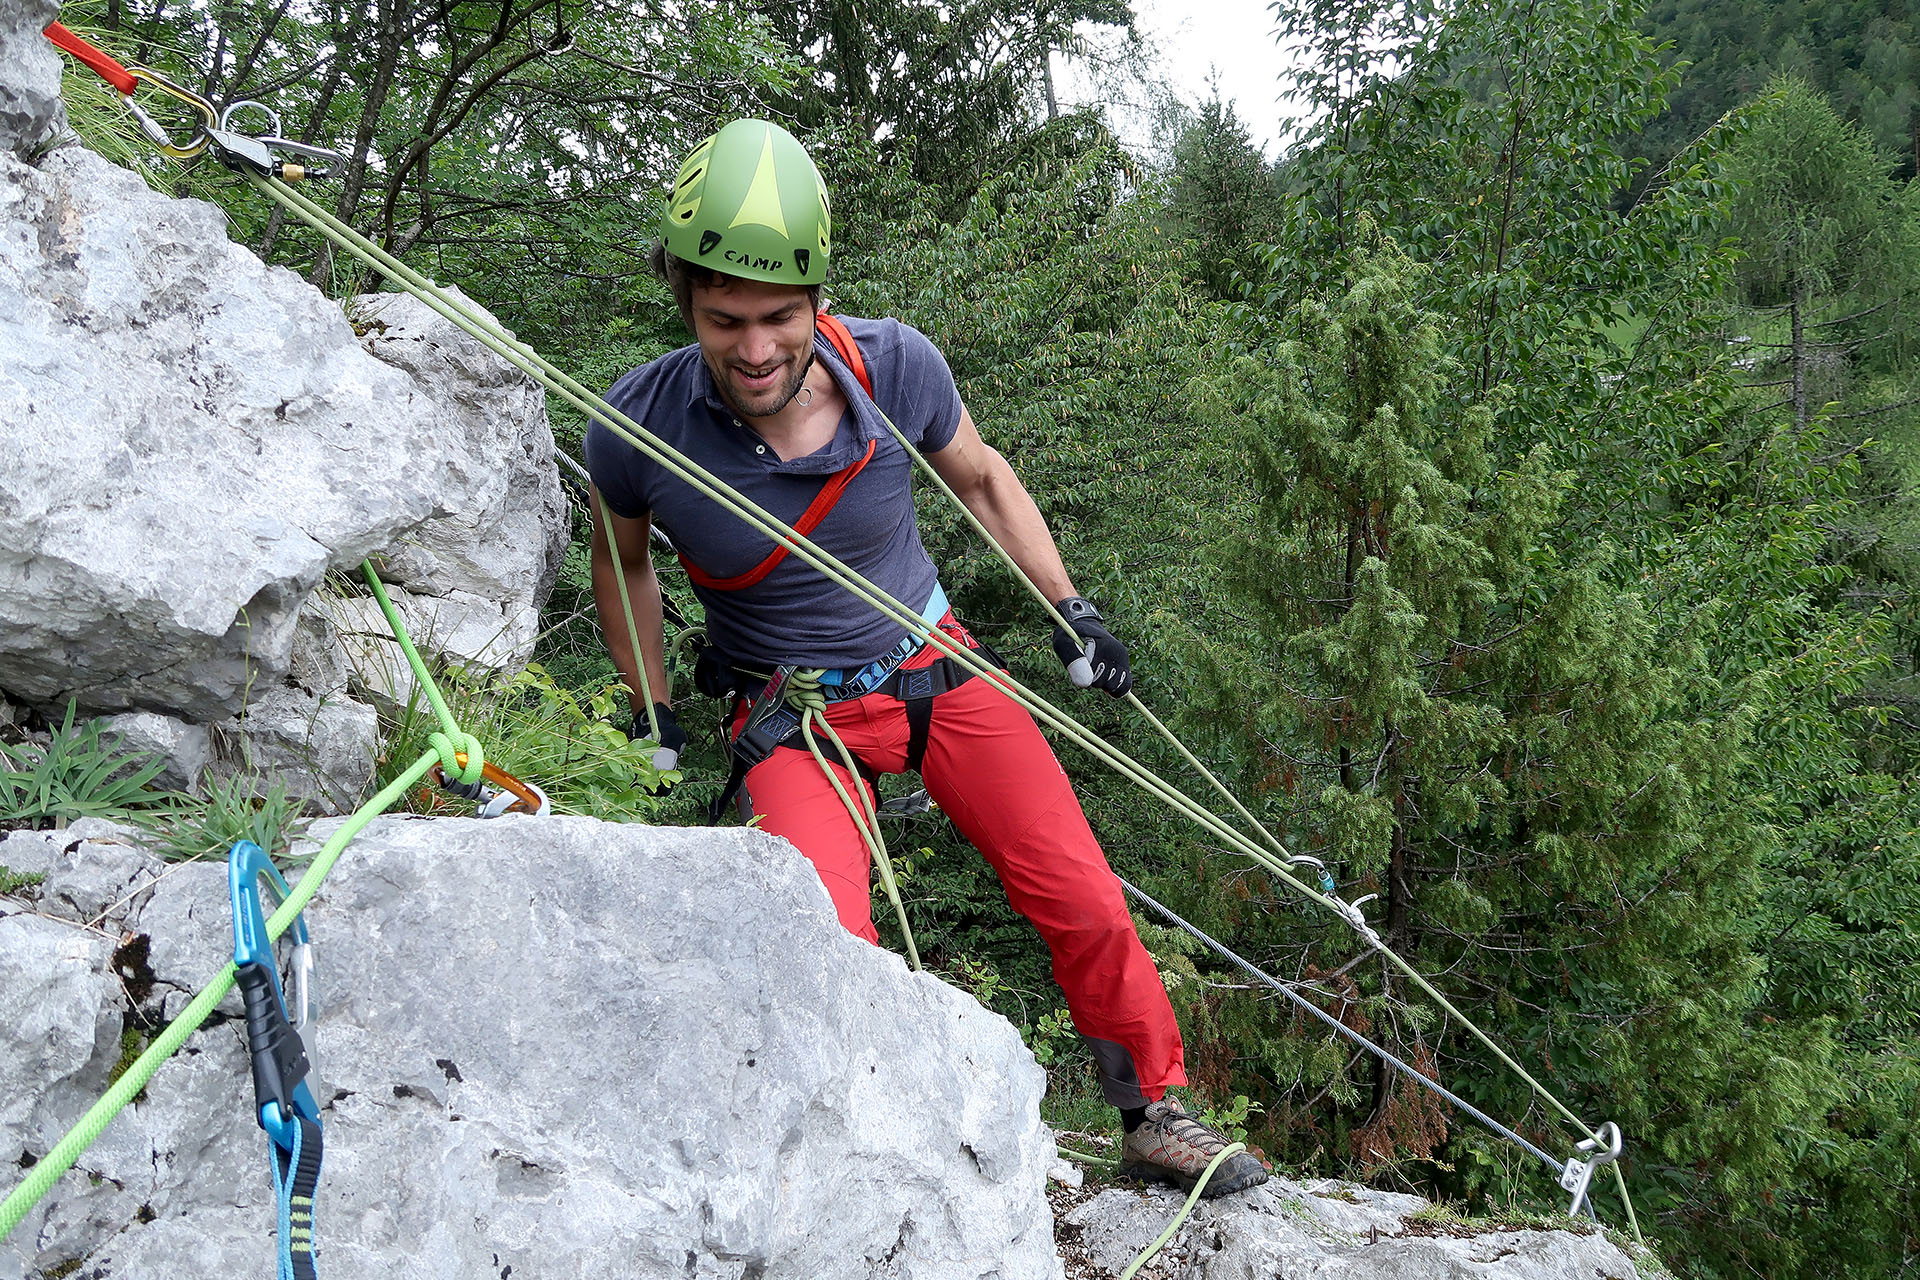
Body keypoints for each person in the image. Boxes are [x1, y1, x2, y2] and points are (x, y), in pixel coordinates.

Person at [584, 118, 1266, 1197]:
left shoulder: (892, 367)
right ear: (685, 301)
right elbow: (623, 563)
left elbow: (985, 478)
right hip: (791, 716)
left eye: (778, 318)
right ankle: (865, 1154)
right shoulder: (637, 425)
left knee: (1083, 893)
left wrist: (1069, 604)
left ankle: (1151, 1115)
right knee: (831, 939)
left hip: (936, 670)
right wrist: (650, 705)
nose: (755, 348)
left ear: (817, 298)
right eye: (725, 320)